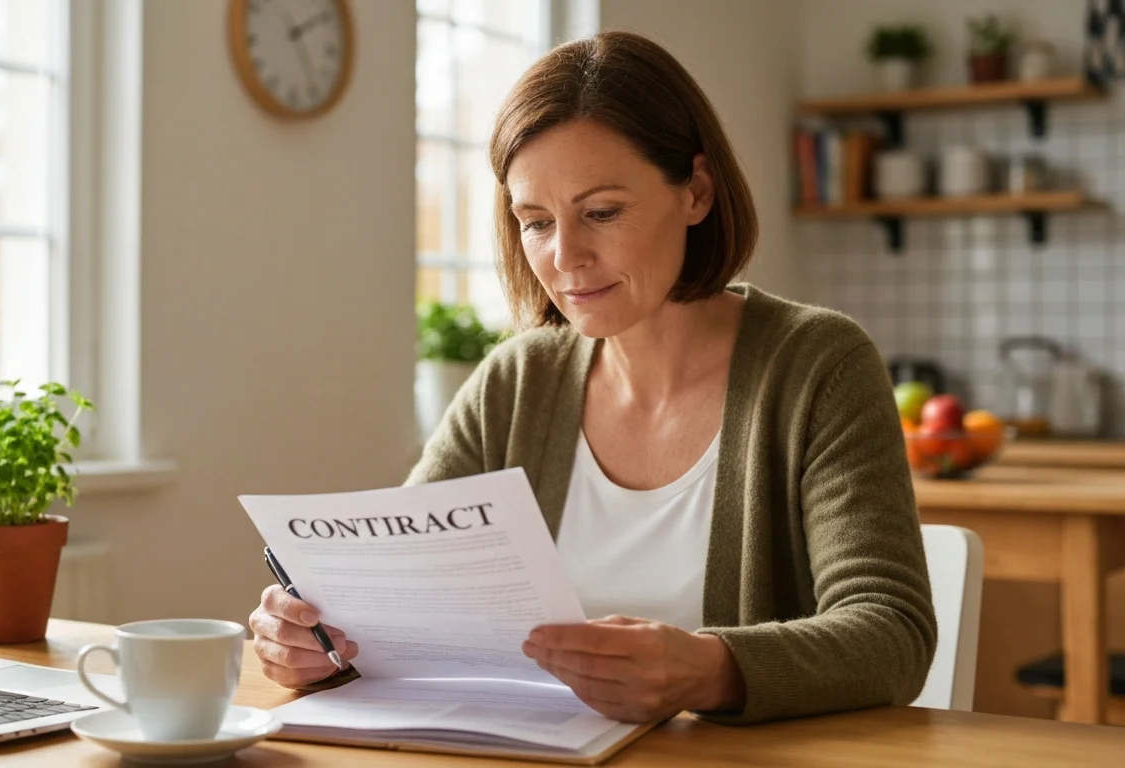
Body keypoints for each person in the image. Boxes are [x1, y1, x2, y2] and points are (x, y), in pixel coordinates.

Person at [248, 30, 936, 726]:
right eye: (535, 222)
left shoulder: (819, 366)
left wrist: (706, 670)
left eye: (601, 213)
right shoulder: (515, 382)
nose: (565, 256)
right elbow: (395, 603)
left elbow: (892, 633)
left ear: (696, 192)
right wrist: (318, 642)